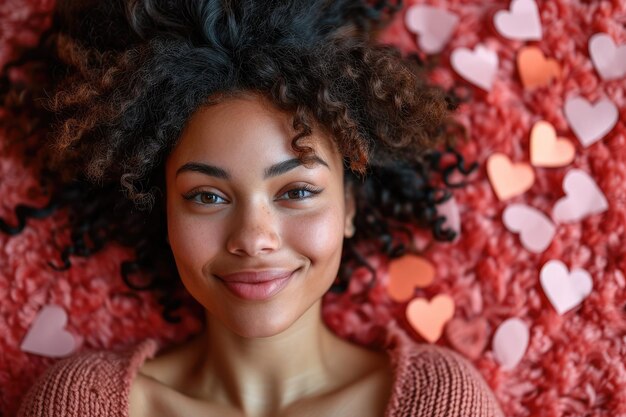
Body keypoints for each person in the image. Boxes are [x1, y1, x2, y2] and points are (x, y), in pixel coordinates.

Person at [8, 0, 505, 416]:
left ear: (349, 206)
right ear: (164, 213)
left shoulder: (440, 400)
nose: (253, 237)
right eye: (207, 196)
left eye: (297, 191)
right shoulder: (80, 405)